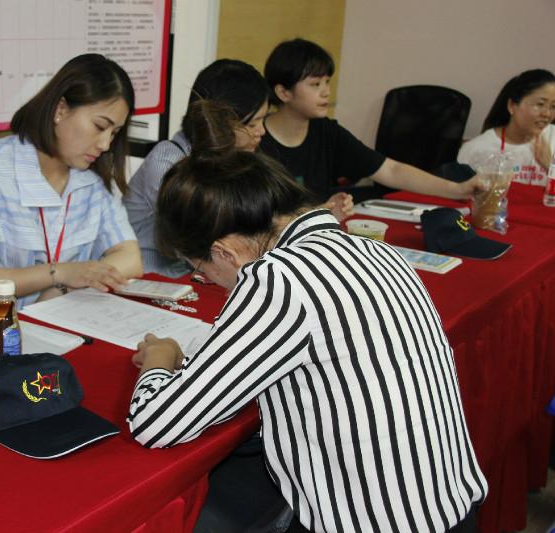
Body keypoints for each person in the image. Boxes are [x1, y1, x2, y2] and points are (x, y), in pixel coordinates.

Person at [127, 100, 487, 532]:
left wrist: (160, 359)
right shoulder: (378, 251)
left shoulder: (278, 279)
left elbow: (158, 423)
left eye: (201, 271)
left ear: (225, 252)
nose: (210, 282)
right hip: (451, 511)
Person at [0, 54, 143, 330]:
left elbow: (130, 258)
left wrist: (61, 288)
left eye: (114, 133)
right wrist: (58, 274)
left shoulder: (92, 178)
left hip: (57, 327)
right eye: (100, 127)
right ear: (60, 109)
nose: (105, 144)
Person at [260, 38, 486, 209]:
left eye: (327, 82)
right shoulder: (256, 140)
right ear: (283, 92)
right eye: (315, 84)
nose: (326, 91)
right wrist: (319, 212)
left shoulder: (326, 131)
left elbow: (391, 170)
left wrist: (458, 189)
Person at [123, 59, 270, 276]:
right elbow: (204, 238)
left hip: (200, 272)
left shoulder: (236, 158)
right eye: (251, 124)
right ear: (218, 120)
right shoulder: (168, 163)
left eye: (263, 120)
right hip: (149, 276)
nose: (262, 131)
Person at [458, 69, 555, 185]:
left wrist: (549, 165)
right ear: (512, 105)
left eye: (553, 106)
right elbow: (459, 192)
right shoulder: (476, 149)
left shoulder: (552, 137)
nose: (547, 114)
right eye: (540, 104)